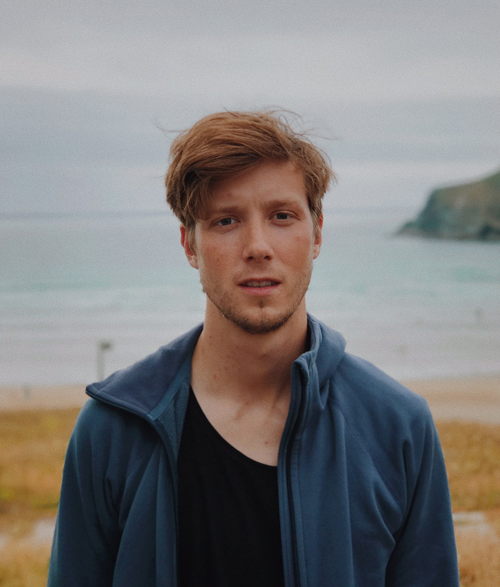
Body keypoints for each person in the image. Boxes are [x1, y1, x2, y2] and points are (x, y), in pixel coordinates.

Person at [48, 111, 459, 586]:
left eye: (282, 216)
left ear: (317, 233)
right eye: (226, 221)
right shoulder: (114, 429)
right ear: (189, 245)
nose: (258, 246)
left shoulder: (397, 426)